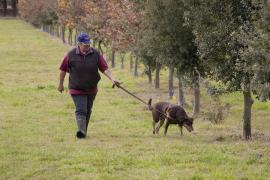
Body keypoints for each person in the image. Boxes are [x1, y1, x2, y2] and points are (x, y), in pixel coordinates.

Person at [58, 32, 119, 139]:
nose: (87, 46)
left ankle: (83, 131)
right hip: (76, 88)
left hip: (91, 88)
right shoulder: (71, 54)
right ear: (79, 44)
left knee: (88, 109)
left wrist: (112, 78)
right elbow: (63, 69)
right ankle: (81, 132)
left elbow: (104, 68)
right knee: (81, 109)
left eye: (88, 44)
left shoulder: (95, 54)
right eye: (85, 45)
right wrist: (60, 84)